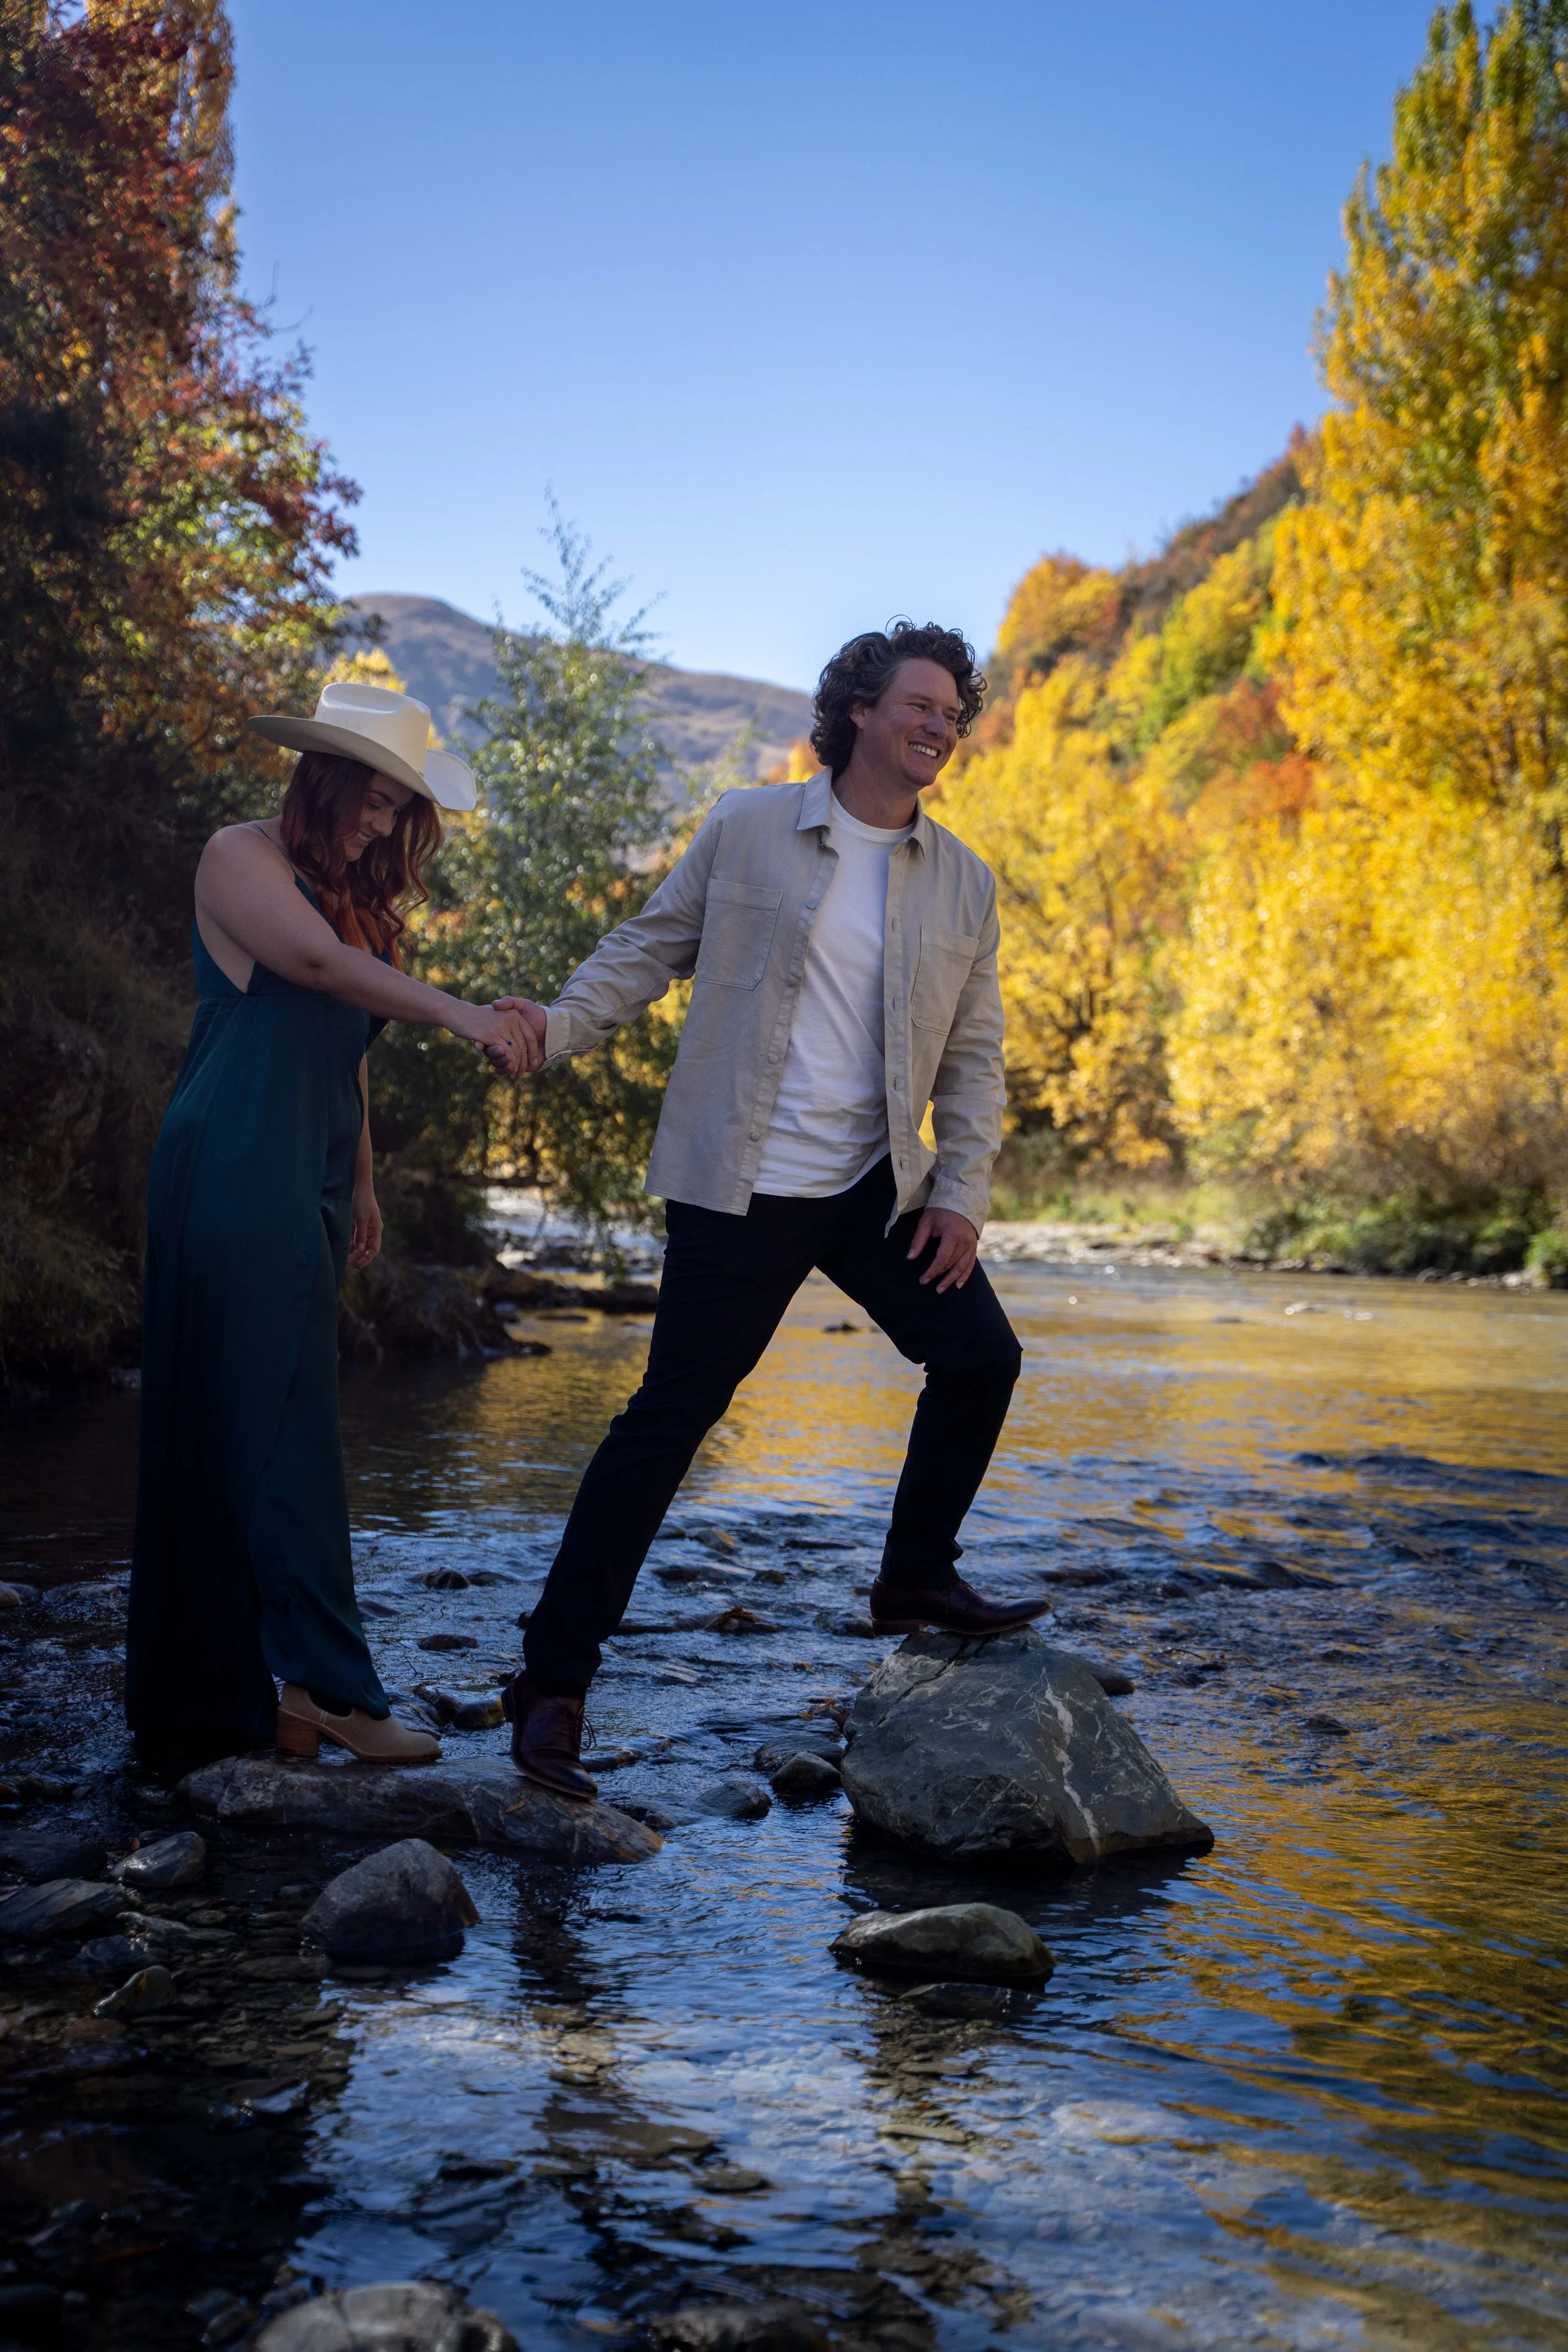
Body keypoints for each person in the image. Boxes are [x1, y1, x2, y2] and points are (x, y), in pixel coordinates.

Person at [496, 622, 1043, 1800]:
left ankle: (914, 1575)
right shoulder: (749, 827)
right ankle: (551, 1682)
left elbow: (977, 1057)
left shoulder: (962, 879)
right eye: (921, 705)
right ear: (858, 710)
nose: (941, 726)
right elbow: (647, 949)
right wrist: (554, 1026)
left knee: (982, 1355)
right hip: (739, 1182)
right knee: (667, 1425)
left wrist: (962, 1194)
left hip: (873, 1188)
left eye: (955, 712)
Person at [127, 681, 540, 1769]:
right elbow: (310, 970)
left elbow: (342, 1046)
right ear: (322, 776)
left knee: (268, 1411)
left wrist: (360, 1181)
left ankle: (242, 1696)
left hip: (303, 1168)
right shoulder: (237, 855)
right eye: (370, 798)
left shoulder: (351, 899)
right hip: (230, 1156)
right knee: (277, 1427)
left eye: (399, 809)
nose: (381, 823)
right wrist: (459, 1012)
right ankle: (331, 1689)